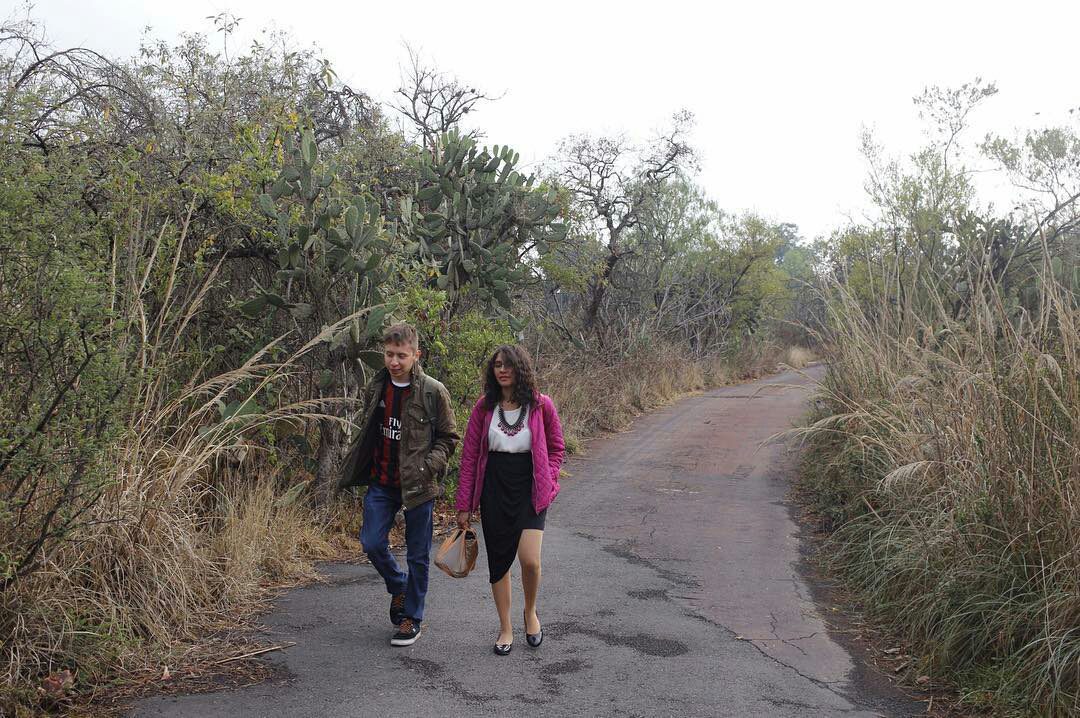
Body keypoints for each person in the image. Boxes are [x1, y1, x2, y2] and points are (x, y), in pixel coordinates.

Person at [338, 323, 459, 647]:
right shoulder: (377, 386)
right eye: (389, 354)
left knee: (418, 555)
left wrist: (427, 467)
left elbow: (449, 437)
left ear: (416, 355)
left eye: (401, 355)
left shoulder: (432, 391)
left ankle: (411, 618)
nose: (394, 361)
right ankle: (399, 585)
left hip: (418, 485)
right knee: (371, 543)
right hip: (382, 481)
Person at [456, 344, 565, 655]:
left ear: (521, 369)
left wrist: (548, 476)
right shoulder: (484, 407)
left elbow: (557, 448)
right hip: (494, 488)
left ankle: (530, 612)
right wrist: (464, 505)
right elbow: (469, 457)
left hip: (530, 486)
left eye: (509, 365)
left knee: (530, 560)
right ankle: (505, 628)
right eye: (497, 365)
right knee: (499, 561)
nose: (502, 370)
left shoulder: (541, 405)